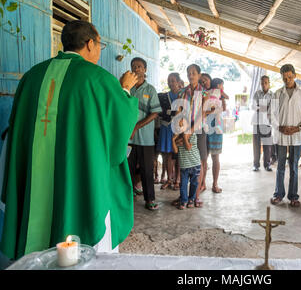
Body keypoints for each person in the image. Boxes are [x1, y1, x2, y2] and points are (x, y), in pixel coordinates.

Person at [0, 20, 139, 259]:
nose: (98, 52)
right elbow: (119, 125)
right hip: (80, 176)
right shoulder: (98, 79)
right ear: (89, 43)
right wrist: (125, 90)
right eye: (99, 46)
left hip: (35, 177)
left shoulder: (32, 76)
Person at [270, 64, 301, 207]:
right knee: (280, 165)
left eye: (289, 77)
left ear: (294, 75)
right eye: (284, 77)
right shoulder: (277, 93)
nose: (287, 80)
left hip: (297, 134)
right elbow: (271, 114)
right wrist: (279, 127)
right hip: (281, 134)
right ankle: (278, 194)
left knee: (294, 166)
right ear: (281, 77)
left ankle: (293, 196)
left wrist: (299, 127)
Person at [127, 57, 162, 211]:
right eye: (134, 66)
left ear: (145, 70)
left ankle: (150, 199)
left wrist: (137, 126)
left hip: (146, 139)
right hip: (128, 138)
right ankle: (126, 197)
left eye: (140, 66)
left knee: (147, 170)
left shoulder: (150, 90)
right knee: (127, 169)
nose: (136, 69)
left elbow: (154, 113)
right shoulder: (128, 88)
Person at [176, 64, 208, 207]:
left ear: (199, 75)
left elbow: (202, 114)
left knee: (198, 162)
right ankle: (183, 197)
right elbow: (178, 112)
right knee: (184, 161)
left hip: (199, 130)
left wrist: (192, 130)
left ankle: (195, 197)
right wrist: (183, 130)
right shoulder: (182, 92)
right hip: (184, 129)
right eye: (189, 73)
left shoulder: (205, 93)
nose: (191, 75)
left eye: (194, 73)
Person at [158, 72, 182, 190]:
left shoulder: (183, 95)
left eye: (173, 80)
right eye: (169, 80)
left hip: (178, 128)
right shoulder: (163, 96)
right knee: (167, 155)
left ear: (178, 82)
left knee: (177, 155)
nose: (171, 83)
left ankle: (177, 179)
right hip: (166, 127)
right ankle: (169, 179)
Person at [171, 119, 201, 210]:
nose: (181, 126)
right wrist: (173, 139)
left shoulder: (192, 135)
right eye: (179, 125)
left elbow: (188, 147)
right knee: (183, 184)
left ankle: (191, 199)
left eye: (183, 124)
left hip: (195, 164)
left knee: (194, 183)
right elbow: (176, 150)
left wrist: (183, 137)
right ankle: (184, 200)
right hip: (184, 165)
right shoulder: (178, 137)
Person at [251, 76, 274, 172]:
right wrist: (266, 107)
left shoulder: (272, 95)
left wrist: (260, 106)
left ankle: (267, 164)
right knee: (256, 145)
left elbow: (272, 109)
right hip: (256, 122)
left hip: (267, 123)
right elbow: (253, 106)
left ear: (269, 83)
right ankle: (256, 165)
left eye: (265, 83)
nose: (264, 85)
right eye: (262, 83)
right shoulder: (257, 93)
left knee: (267, 145)